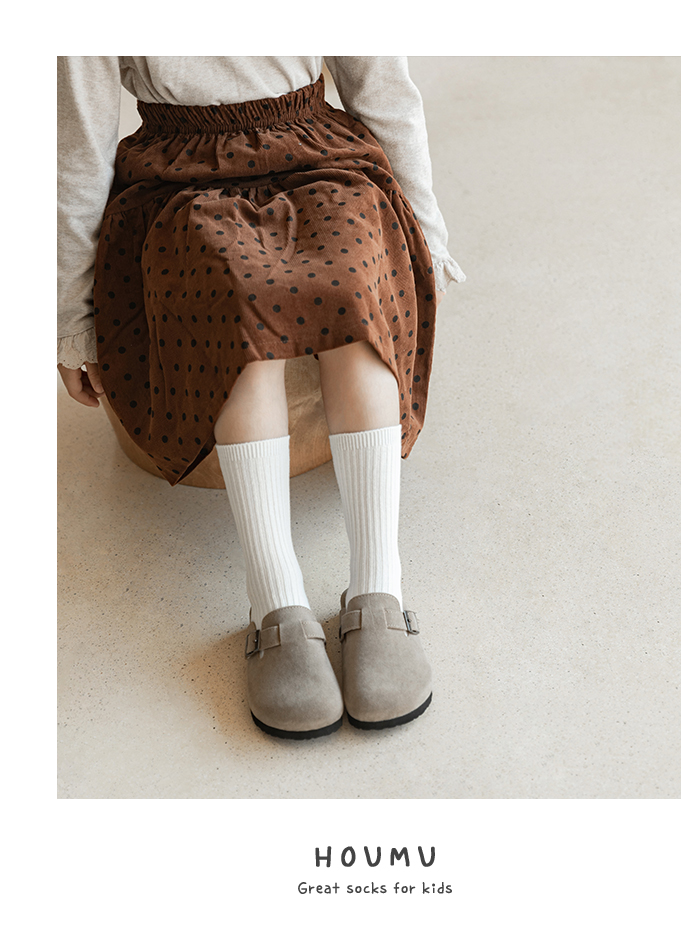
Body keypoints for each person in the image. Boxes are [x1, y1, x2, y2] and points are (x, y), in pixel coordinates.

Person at [58, 56, 465, 740]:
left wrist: (426, 235)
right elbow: (78, 150)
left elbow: (382, 86)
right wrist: (73, 319)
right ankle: (275, 602)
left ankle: (379, 587)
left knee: (351, 298)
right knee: (234, 314)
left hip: (319, 152)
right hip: (178, 179)